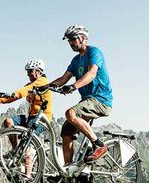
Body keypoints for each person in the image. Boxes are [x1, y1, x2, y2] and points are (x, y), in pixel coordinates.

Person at [48, 25, 113, 167]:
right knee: (66, 132)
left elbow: (91, 74)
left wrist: (73, 86)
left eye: (73, 39)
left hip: (101, 100)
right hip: (87, 101)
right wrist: (45, 87)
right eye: (69, 40)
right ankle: (69, 171)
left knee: (70, 113)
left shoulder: (94, 52)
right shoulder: (75, 60)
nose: (70, 43)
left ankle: (99, 145)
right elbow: (63, 79)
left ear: (83, 38)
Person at [0, 59, 53, 176]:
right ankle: (15, 150)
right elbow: (18, 95)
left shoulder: (42, 81)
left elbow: (24, 91)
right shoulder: (31, 85)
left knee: (26, 144)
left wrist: (15, 93)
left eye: (30, 71)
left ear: (38, 71)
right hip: (31, 117)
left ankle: (28, 176)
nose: (28, 74)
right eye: (27, 71)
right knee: (8, 122)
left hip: (42, 119)